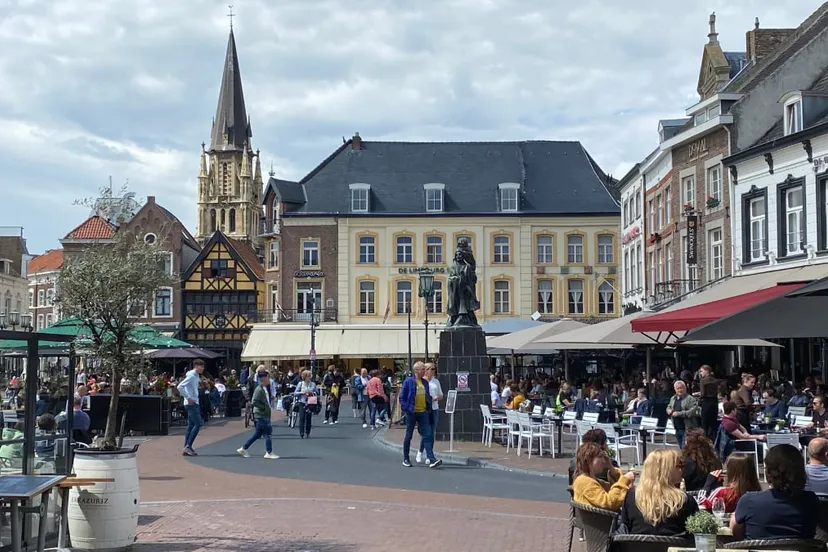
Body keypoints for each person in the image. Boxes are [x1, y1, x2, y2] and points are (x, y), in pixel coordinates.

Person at [731, 444, 820, 540]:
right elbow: (810, 533)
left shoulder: (749, 500)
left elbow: (736, 533)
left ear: (768, 472)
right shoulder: (811, 501)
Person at [619, 448, 698, 536]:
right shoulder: (685, 501)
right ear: (667, 470)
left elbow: (624, 529)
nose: (682, 470)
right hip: (673, 548)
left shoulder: (631, 496)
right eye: (679, 466)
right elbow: (698, 532)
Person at [399, 361, 441, 468]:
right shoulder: (409, 382)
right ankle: (406, 458)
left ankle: (431, 459)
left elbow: (427, 396)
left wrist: (428, 407)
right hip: (412, 412)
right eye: (423, 369)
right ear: (417, 370)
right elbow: (402, 397)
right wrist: (407, 408)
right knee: (409, 435)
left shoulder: (425, 383)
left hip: (423, 412)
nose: (425, 371)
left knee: (427, 435)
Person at [572, 442, 634, 511]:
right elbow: (609, 502)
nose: (603, 461)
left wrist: (610, 467)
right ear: (589, 460)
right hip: (605, 521)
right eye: (600, 457)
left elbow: (613, 489)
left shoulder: (590, 480)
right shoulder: (584, 482)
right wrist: (625, 480)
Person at [237, 370, 279, 459]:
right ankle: (269, 452)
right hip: (261, 415)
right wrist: (264, 407)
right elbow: (254, 401)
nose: (269, 380)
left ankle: (243, 448)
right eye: (268, 377)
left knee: (258, 434)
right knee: (268, 433)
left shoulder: (263, 388)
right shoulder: (259, 389)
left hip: (263, 414)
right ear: (263, 378)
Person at [177, 359, 205, 456]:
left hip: (192, 402)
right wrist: (188, 397)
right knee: (198, 424)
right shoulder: (192, 376)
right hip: (191, 403)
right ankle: (188, 446)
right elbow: (180, 386)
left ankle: (186, 446)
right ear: (196, 366)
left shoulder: (195, 376)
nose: (202, 368)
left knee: (191, 425)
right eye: (201, 366)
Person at [417, 363, 443, 464]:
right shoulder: (420, 382)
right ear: (425, 370)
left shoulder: (436, 381)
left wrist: (436, 398)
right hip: (424, 410)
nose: (433, 371)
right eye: (431, 369)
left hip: (434, 408)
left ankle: (429, 455)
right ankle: (420, 451)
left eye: (434, 369)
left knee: (431, 432)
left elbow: (441, 395)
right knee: (426, 432)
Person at [666, 380, 699, 449]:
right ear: (675, 389)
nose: (679, 390)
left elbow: (692, 412)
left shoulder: (690, 399)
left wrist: (679, 414)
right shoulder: (673, 398)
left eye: (681, 388)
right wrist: (668, 410)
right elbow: (669, 406)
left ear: (685, 388)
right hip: (677, 428)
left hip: (687, 429)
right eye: (677, 388)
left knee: (686, 449)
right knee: (681, 448)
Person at [294, 370, 318, 439]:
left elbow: (317, 392)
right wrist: (302, 392)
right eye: (308, 376)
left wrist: (312, 392)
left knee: (308, 418)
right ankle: (301, 433)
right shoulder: (300, 384)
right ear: (304, 377)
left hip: (310, 402)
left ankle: (307, 432)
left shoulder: (313, 384)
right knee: (301, 417)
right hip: (302, 402)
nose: (309, 377)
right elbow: (295, 393)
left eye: (310, 376)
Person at [697, 365, 719, 440]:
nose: (700, 373)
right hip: (715, 402)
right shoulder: (715, 380)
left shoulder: (703, 380)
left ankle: (705, 441)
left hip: (706, 402)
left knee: (704, 423)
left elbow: (703, 394)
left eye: (701, 371)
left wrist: (698, 396)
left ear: (707, 371)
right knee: (713, 424)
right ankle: (713, 442)